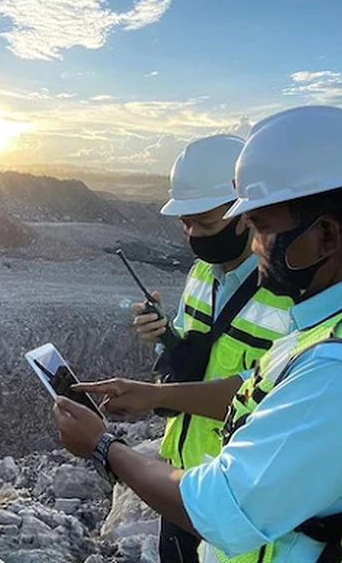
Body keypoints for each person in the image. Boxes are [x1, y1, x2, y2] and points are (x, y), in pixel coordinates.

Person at [56, 106, 342, 563]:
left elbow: (218, 507)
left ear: (327, 234)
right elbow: (261, 392)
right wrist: (155, 384)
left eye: (262, 227)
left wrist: (103, 446)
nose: (254, 245)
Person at [131, 134, 295, 563]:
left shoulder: (291, 295)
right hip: (185, 475)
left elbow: (270, 396)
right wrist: (163, 338)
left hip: (240, 489)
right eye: (185, 223)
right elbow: (191, 355)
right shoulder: (202, 274)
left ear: (246, 213)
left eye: (204, 223)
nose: (192, 234)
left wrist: (155, 396)